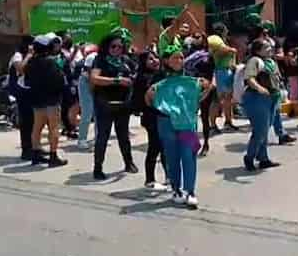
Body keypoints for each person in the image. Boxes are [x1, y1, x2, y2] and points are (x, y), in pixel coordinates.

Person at [146, 45, 211, 209]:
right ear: (166, 60)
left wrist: (206, 88)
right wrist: (151, 94)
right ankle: (176, 189)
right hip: (165, 122)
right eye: (175, 57)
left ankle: (190, 191)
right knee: (172, 156)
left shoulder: (190, 77)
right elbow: (148, 101)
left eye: (181, 57)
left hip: (187, 122)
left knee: (189, 155)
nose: (179, 61)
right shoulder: (158, 78)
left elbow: (201, 94)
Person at [90, 29, 137, 181]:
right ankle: (98, 168)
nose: (117, 50)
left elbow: (135, 73)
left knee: (123, 135)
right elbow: (94, 78)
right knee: (102, 136)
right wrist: (116, 81)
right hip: (104, 103)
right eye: (113, 46)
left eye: (120, 46)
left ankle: (128, 163)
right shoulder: (100, 60)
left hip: (123, 104)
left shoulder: (126, 60)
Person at [24, 34, 67, 167]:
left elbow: (27, 81)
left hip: (37, 99)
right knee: (54, 128)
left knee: (37, 127)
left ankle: (36, 154)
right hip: (51, 100)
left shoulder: (31, 62)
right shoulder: (51, 62)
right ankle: (53, 157)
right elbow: (59, 81)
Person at [241, 40, 281, 171]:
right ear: (258, 50)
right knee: (261, 130)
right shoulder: (254, 61)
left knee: (265, 129)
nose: (270, 49)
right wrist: (259, 88)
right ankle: (249, 157)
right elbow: (249, 79)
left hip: (271, 98)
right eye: (266, 47)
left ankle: (263, 158)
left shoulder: (271, 62)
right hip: (257, 98)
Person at [132, 50, 169, 190]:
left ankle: (169, 177)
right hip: (151, 117)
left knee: (165, 148)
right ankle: (150, 180)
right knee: (155, 148)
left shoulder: (161, 74)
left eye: (155, 58)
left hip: (163, 116)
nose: (155, 61)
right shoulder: (143, 78)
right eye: (150, 59)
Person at [184, 37, 216, 156]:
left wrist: (210, 87)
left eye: (198, 37)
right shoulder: (187, 54)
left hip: (205, 87)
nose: (195, 39)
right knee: (189, 117)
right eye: (194, 37)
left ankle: (206, 143)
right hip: (190, 87)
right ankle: (191, 143)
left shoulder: (208, 56)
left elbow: (213, 72)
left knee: (204, 115)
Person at [8, 36, 35, 161]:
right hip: (21, 92)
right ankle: (26, 149)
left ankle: (34, 147)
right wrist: (29, 56)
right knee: (26, 122)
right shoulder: (18, 56)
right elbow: (20, 70)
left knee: (33, 121)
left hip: (29, 91)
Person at [208, 23, 238, 131]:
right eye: (225, 29)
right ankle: (212, 125)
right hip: (220, 71)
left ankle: (228, 121)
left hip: (227, 70)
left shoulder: (224, 41)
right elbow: (221, 51)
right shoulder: (215, 40)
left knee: (228, 99)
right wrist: (231, 50)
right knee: (217, 99)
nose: (227, 31)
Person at [75, 44, 99, 150]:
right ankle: (82, 139)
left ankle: (99, 138)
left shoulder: (109, 57)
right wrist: (91, 88)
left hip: (98, 84)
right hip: (86, 82)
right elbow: (89, 75)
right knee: (87, 112)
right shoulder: (92, 56)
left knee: (99, 112)